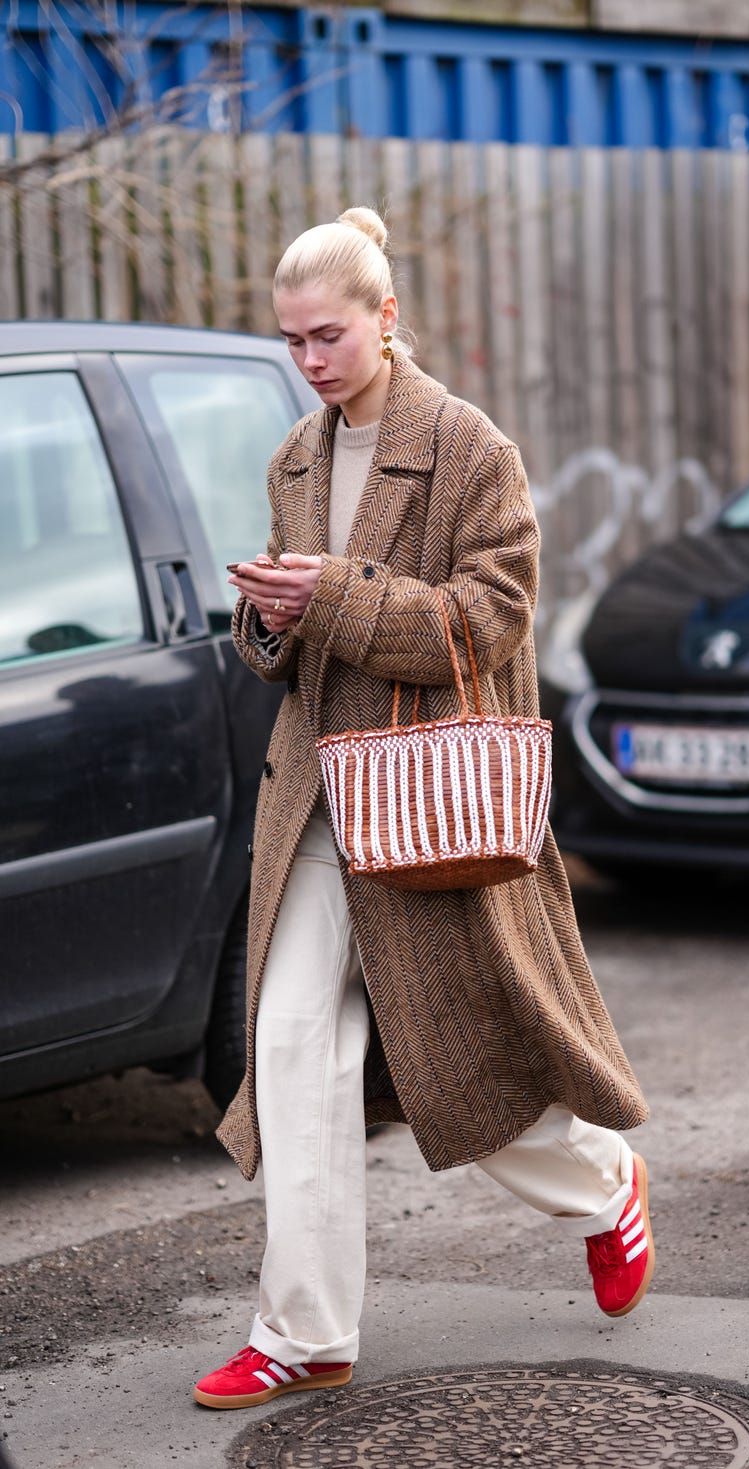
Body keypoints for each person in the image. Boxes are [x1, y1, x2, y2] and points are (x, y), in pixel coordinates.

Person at [194, 207, 652, 1411]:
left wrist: (332, 593)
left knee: (467, 1071)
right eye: (290, 340)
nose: (307, 361)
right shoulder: (294, 457)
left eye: (327, 335)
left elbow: (487, 620)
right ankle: (305, 1330)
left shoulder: (468, 448)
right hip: (317, 806)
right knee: (292, 1051)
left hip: (426, 804)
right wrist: (269, 619)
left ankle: (606, 1184)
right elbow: (289, 646)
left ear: (386, 319)